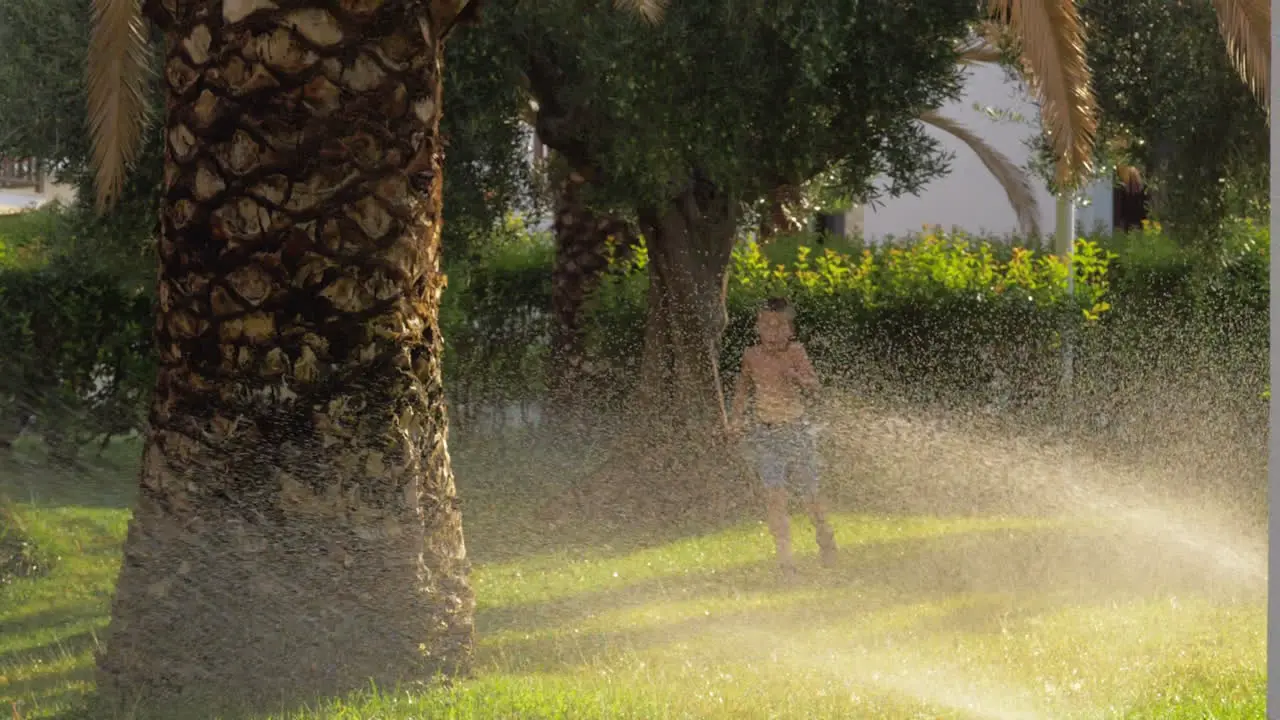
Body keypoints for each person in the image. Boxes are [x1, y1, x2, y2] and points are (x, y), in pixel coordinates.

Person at [727, 296, 838, 576]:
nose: (772, 332)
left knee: (810, 496)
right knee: (775, 497)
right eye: (766, 325)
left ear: (790, 330)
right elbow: (743, 390)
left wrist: (796, 376)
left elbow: (814, 385)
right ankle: (786, 560)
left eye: (779, 326)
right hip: (766, 434)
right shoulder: (751, 356)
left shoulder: (796, 352)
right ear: (757, 327)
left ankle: (824, 535)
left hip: (796, 431)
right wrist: (735, 419)